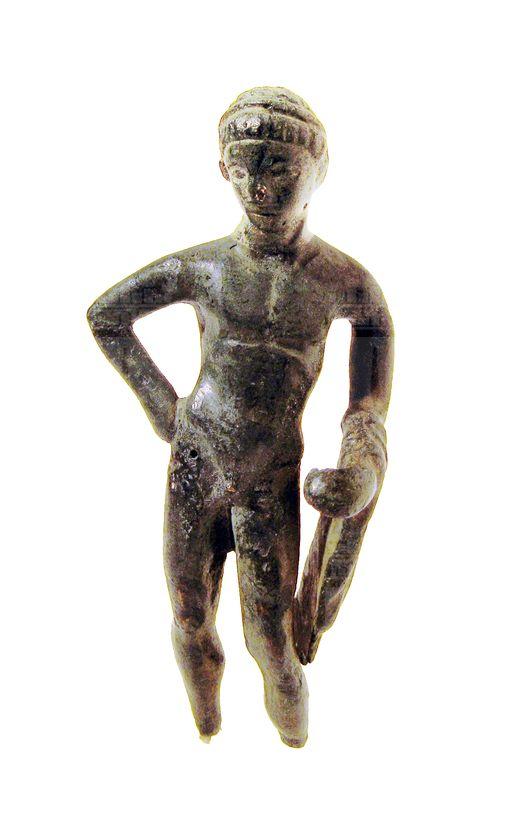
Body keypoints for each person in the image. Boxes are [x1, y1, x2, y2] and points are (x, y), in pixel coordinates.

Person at [87, 87, 394, 747]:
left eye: (278, 166)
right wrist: (163, 407)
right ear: (222, 168)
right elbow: (107, 317)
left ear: (317, 169)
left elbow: (369, 402)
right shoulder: (206, 267)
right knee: (189, 615)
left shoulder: (345, 284)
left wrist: (361, 468)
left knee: (272, 641)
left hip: (269, 475)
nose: (259, 186)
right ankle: (206, 731)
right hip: (195, 462)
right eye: (244, 166)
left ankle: (295, 746)